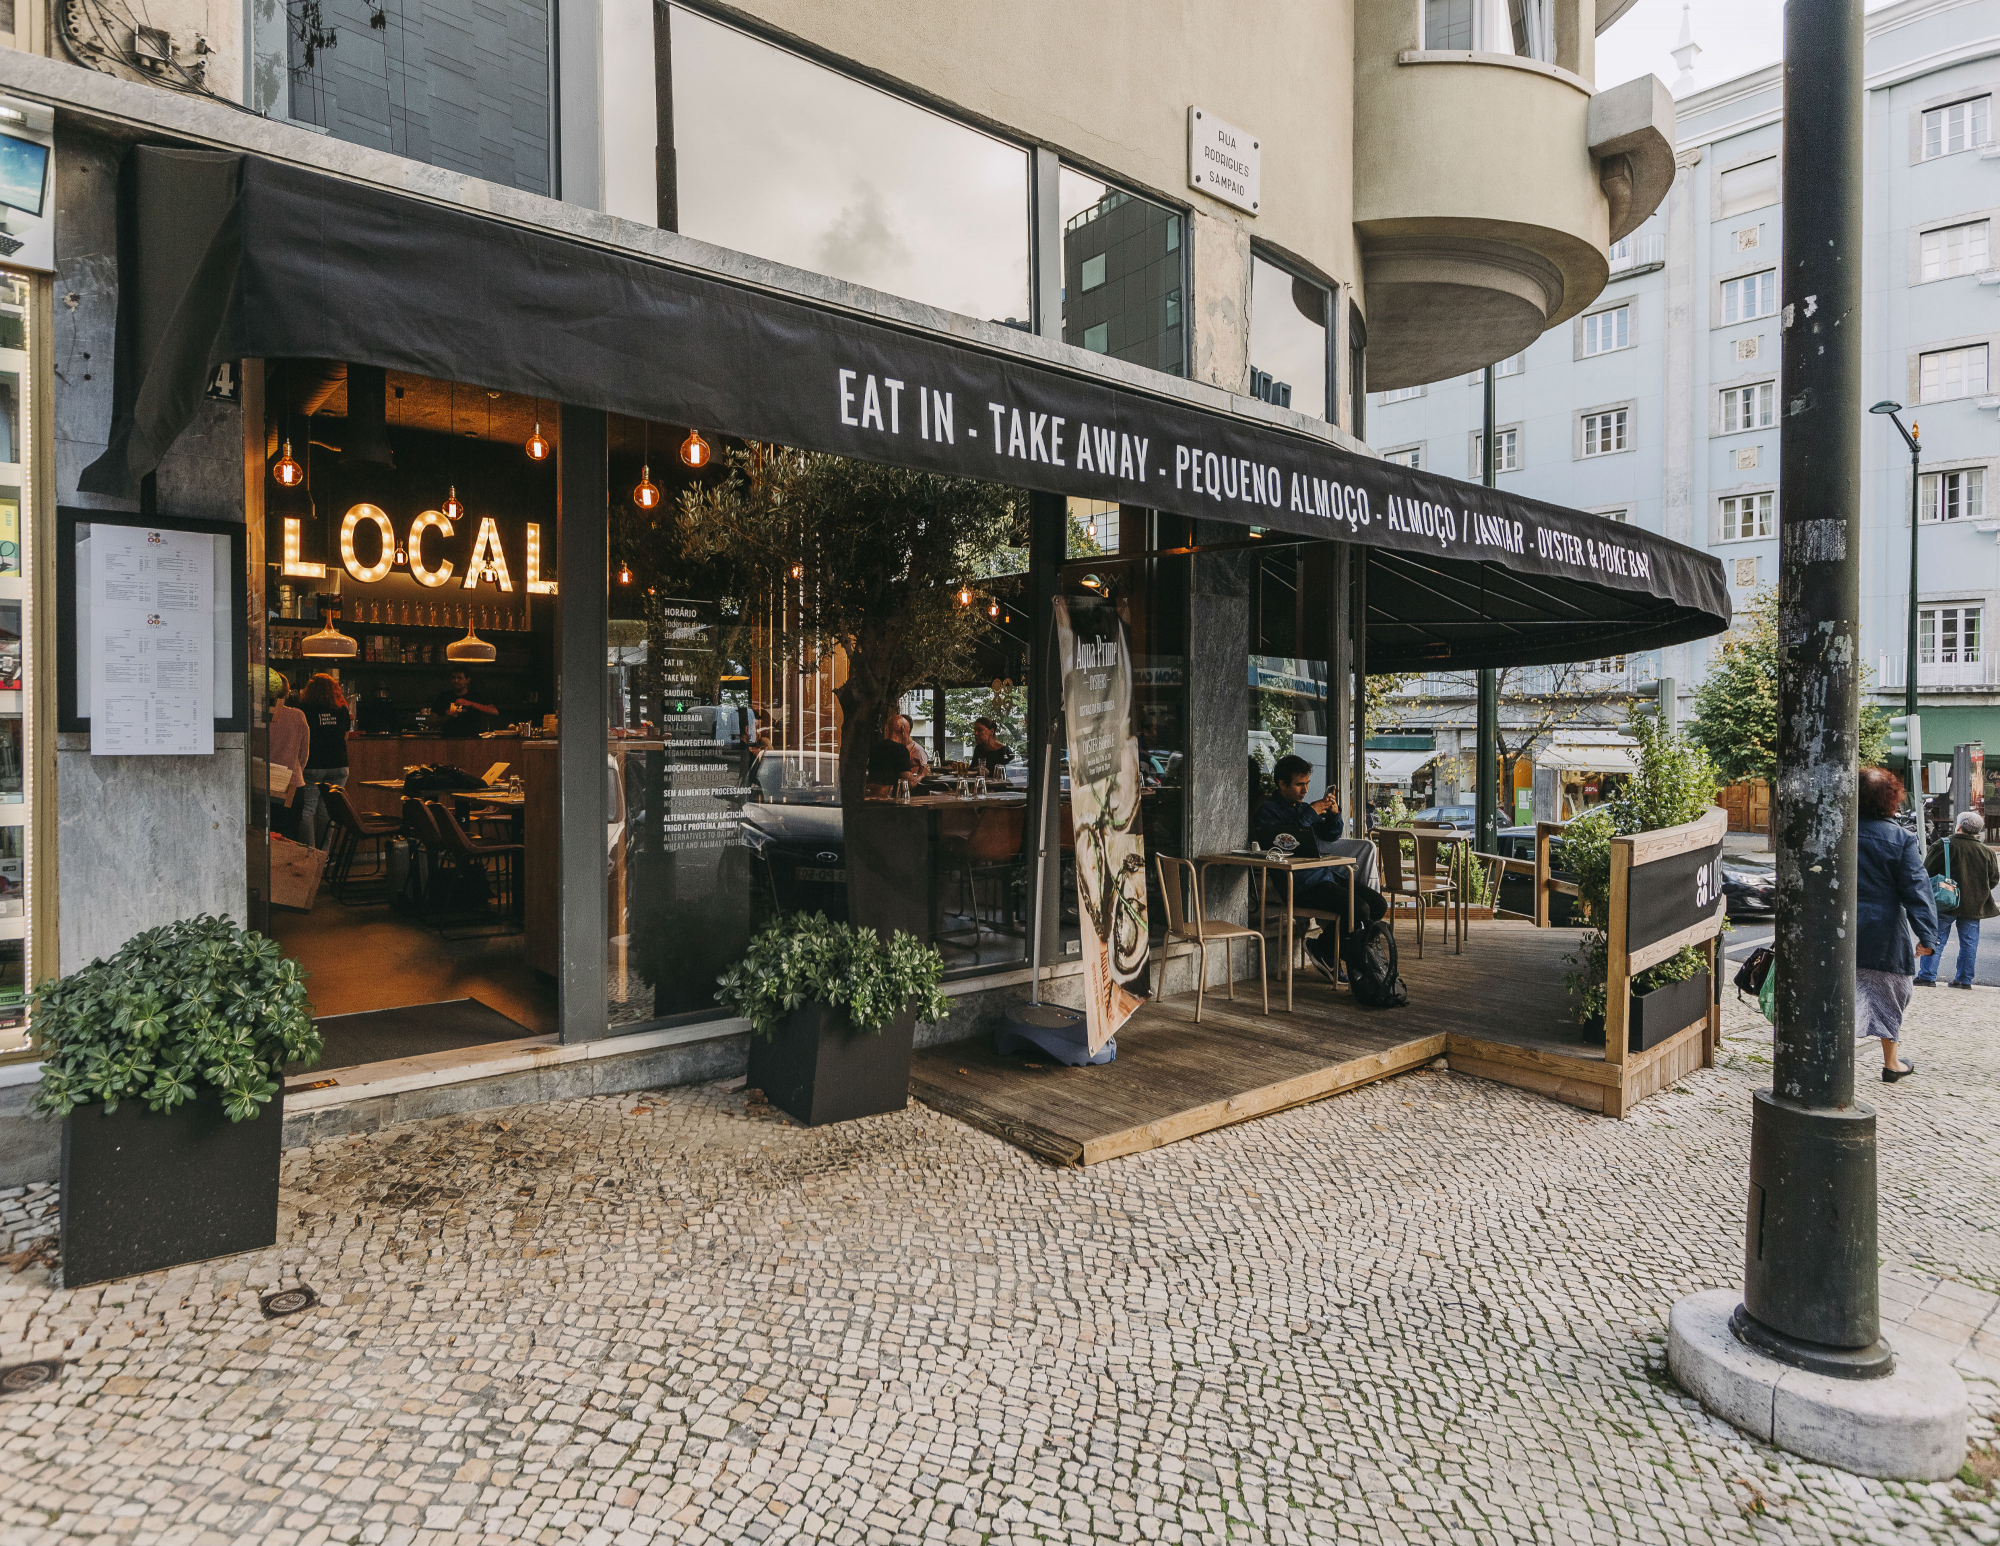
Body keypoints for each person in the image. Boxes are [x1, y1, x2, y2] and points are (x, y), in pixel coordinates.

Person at [1253, 753, 1387, 980]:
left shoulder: (1302, 808)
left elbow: (1331, 835)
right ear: (1281, 784)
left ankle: (1325, 948)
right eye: (1298, 785)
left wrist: (1334, 815)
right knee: (1359, 909)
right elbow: (1285, 838)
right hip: (1300, 885)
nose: (1304, 790)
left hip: (1325, 875)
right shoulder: (1268, 811)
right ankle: (1342, 956)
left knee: (1377, 904)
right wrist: (1311, 811)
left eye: (1307, 784)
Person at [1856, 765, 1938, 1081]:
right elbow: (1918, 890)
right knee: (1890, 997)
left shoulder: (1835, 831)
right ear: (1891, 799)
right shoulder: (1901, 839)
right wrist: (1927, 937)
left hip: (1835, 931)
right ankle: (1892, 1064)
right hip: (1883, 936)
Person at [1919, 808, 1997, 989]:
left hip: (1945, 901)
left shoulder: (1943, 844)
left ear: (1959, 826)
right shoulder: (1986, 851)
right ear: (1978, 830)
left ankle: (1927, 976)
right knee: (1970, 943)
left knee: (1936, 938)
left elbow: (1926, 872)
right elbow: (1992, 879)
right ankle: (1964, 980)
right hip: (1973, 904)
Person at [296, 673, 352, 850]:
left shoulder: (303, 708)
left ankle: (311, 855)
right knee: (326, 811)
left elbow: (300, 738)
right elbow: (345, 736)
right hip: (339, 765)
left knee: (307, 810)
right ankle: (323, 856)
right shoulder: (342, 709)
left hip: (313, 765)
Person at [268, 673, 309, 841]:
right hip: (292, 782)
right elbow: (303, 755)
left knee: (267, 834)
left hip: (264, 782)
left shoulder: (256, 716)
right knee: (290, 835)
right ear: (286, 693)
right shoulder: (297, 716)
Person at [432, 669, 499, 735]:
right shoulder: (443, 697)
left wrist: (471, 704)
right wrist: (446, 717)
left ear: (468, 680)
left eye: (459, 678)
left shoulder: (476, 696)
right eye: (453, 678)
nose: (456, 681)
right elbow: (431, 723)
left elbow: (494, 711)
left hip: (473, 740)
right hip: (448, 740)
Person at [885, 713, 931, 780]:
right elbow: (908, 783)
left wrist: (907, 765)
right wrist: (921, 774)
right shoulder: (901, 750)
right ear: (903, 730)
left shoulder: (876, 748)